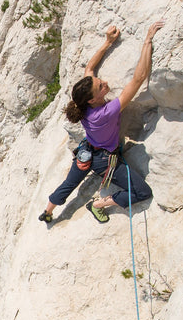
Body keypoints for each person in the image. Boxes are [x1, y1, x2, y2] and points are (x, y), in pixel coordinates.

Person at [39, 21, 164, 224]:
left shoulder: (85, 104)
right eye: (101, 87)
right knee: (142, 192)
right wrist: (147, 41)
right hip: (106, 160)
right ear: (93, 99)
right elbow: (139, 78)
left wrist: (108, 42)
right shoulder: (104, 113)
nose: (104, 83)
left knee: (70, 183)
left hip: (87, 151)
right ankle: (97, 205)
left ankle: (47, 211)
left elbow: (90, 67)